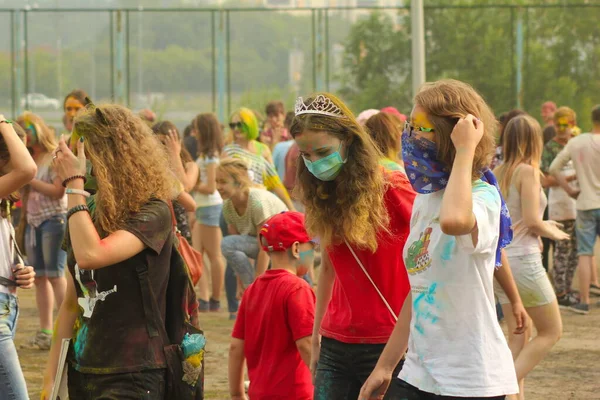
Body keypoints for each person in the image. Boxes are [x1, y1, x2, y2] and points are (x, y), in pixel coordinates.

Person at [361, 79, 518, 400]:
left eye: (419, 126)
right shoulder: (425, 199)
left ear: (450, 135)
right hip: (419, 373)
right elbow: (419, 289)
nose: (409, 135)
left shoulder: (483, 197)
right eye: (409, 124)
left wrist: (465, 151)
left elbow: (455, 221)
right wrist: (385, 366)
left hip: (470, 379)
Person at [41, 104, 177, 399]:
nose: (83, 163)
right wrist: (49, 383)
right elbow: (70, 303)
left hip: (135, 371)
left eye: (89, 154)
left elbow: (93, 254)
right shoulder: (84, 212)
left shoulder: (153, 211)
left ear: (113, 157)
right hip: (85, 368)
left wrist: (73, 186)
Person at [290, 93, 415, 399]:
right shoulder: (321, 195)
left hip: (390, 343)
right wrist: (317, 336)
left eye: (323, 151)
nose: (316, 163)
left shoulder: (393, 187)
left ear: (348, 141)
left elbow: (433, 257)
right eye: (306, 155)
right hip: (335, 342)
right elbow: (329, 270)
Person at [494, 114, 565, 399]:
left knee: (519, 337)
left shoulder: (497, 172)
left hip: (503, 262)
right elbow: (534, 221)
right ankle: (500, 389)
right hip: (524, 261)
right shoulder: (528, 172)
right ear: (534, 141)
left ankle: (508, 393)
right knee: (551, 331)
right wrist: (555, 233)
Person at [228, 211, 316, 400]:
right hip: (295, 394)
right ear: (296, 249)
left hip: (259, 393)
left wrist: (236, 394)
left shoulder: (252, 290)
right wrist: (324, 384)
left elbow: (236, 347)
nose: (313, 254)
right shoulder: (298, 288)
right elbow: (307, 345)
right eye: (312, 247)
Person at [16, 112, 68, 351]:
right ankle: (46, 331)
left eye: (28, 130)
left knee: (56, 275)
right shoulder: (27, 158)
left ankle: (68, 329)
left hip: (53, 220)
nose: (25, 136)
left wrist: (29, 179)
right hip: (34, 221)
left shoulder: (53, 156)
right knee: (39, 278)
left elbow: (58, 191)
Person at [217, 158, 288, 319]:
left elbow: (264, 245)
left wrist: (258, 283)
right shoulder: (228, 206)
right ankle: (253, 295)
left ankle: (256, 293)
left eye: (223, 182)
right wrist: (240, 285)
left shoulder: (257, 202)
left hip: (284, 246)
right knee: (228, 244)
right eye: (216, 181)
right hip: (263, 245)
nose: (218, 187)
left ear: (238, 183)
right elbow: (238, 250)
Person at [549, 104, 600, 315]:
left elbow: (553, 168)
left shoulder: (577, 142)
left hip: (585, 203)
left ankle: (585, 301)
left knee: (585, 253)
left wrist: (569, 189)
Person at [0, 117, 37, 400]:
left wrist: (21, 270)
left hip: (7, 304)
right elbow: (28, 169)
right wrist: (3, 121)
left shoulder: (5, 205)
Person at [540, 106, 579, 307]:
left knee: (575, 251)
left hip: (577, 205)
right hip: (559, 205)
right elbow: (545, 180)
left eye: (566, 124)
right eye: (558, 125)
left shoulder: (576, 144)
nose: (562, 129)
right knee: (562, 250)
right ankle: (560, 291)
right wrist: (571, 176)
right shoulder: (550, 148)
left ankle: (568, 288)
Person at [223, 107, 294, 210]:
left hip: (261, 205)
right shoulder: (228, 152)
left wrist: (291, 208)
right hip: (238, 208)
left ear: (250, 124)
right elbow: (223, 183)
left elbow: (274, 181)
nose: (236, 128)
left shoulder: (263, 150)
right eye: (232, 125)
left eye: (240, 124)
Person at [191, 113, 225, 312]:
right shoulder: (205, 154)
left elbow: (211, 186)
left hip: (211, 207)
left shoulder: (211, 155)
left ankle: (214, 298)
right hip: (203, 207)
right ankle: (204, 298)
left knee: (213, 255)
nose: (194, 133)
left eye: (196, 129)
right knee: (198, 254)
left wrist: (192, 184)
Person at [152, 121, 199, 244]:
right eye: (156, 143)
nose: (161, 148)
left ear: (177, 143)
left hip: (180, 227)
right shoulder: (151, 167)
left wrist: (174, 154)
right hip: (157, 227)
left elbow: (186, 186)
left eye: (165, 143)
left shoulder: (191, 165)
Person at [272, 111, 296, 181]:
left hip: (282, 189)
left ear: (286, 128)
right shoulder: (306, 146)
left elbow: (271, 169)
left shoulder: (279, 147)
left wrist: (274, 141)